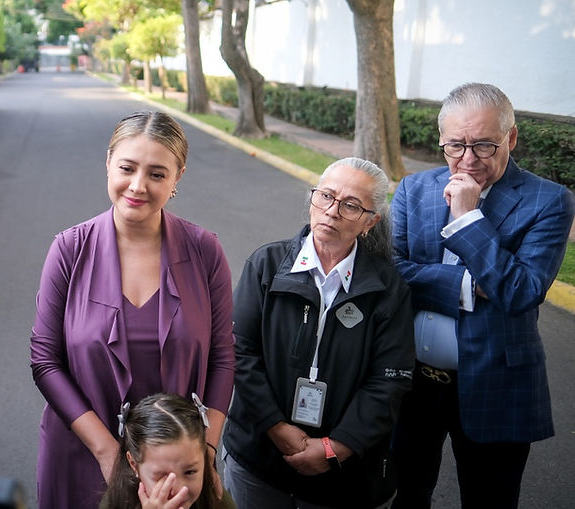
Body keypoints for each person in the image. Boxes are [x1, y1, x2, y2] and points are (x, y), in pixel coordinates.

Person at [30, 111, 235, 509]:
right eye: (127, 168)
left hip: (175, 466)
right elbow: (45, 360)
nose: (138, 186)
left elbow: (223, 357)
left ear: (177, 178)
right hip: (83, 454)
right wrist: (108, 451)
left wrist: (205, 451)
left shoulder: (205, 251)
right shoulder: (69, 249)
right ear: (109, 163)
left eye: (157, 174)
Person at [390, 83, 575, 509]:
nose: (469, 160)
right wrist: (467, 286)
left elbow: (520, 291)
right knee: (404, 494)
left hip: (497, 382)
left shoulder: (549, 201)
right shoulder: (414, 189)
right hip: (412, 382)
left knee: (489, 499)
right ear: (441, 140)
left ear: (511, 138)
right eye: (456, 146)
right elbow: (393, 273)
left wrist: (468, 218)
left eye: (485, 145)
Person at [222, 157, 414, 508]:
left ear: (370, 222)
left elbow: (388, 380)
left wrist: (336, 447)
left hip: (343, 477)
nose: (332, 211)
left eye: (351, 205)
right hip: (259, 458)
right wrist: (276, 427)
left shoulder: (389, 289)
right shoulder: (266, 265)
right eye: (326, 196)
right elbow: (239, 351)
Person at [101, 393, 237, 509]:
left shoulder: (215, 498)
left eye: (189, 472)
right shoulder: (116, 501)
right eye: (162, 476)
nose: (179, 489)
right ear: (134, 465)